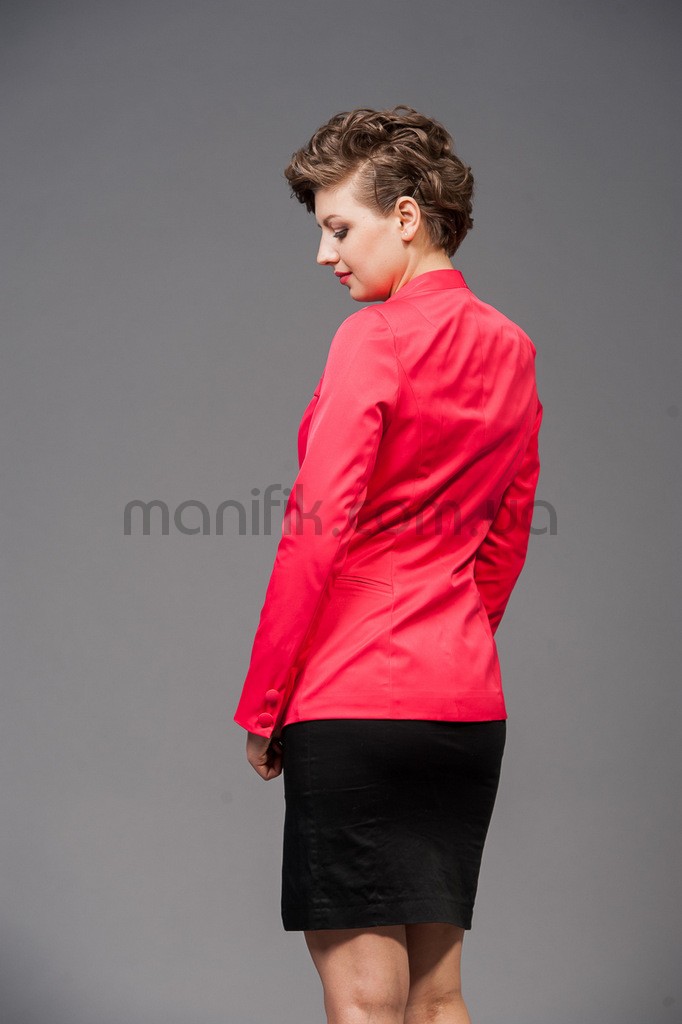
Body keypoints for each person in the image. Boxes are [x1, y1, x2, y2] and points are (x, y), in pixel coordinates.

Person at [233, 104, 543, 1024]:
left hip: (352, 700)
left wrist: (264, 705)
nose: (324, 254)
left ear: (406, 216)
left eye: (339, 228)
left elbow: (315, 532)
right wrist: (450, 638)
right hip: (463, 708)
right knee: (439, 997)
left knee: (366, 1005)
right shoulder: (513, 348)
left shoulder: (372, 338)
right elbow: (505, 538)